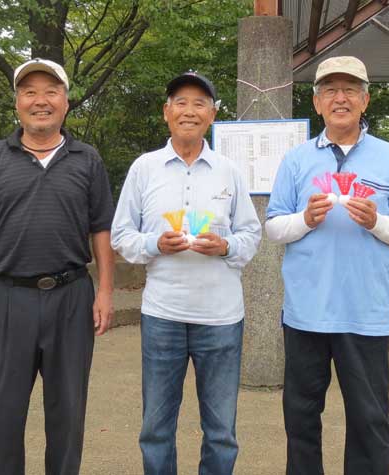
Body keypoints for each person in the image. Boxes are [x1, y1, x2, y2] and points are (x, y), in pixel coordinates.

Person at [0, 58, 115, 475]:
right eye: (29, 92)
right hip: (7, 300)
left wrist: (105, 291)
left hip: (71, 298)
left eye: (51, 91)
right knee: (3, 416)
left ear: (66, 101)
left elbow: (101, 231)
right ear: (17, 103)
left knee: (68, 415)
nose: (40, 101)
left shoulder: (87, 159)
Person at [265, 56, 389, 475]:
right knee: (300, 419)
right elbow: (274, 227)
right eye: (330, 90)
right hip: (306, 314)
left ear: (365, 100)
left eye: (350, 89)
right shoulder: (296, 160)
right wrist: (305, 219)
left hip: (366, 314)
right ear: (316, 103)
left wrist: (376, 222)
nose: (340, 98)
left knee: (370, 421)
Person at [111, 71, 261, 475]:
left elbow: (251, 233)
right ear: (166, 112)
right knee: (156, 428)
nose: (189, 111)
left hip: (221, 318)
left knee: (221, 430)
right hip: (163, 315)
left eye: (199, 104)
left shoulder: (229, 170)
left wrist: (227, 246)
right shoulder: (144, 168)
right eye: (181, 102)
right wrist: (153, 244)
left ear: (212, 115)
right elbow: (121, 234)